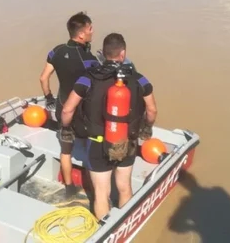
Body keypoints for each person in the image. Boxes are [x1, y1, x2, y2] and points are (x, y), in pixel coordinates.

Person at [60, 33, 157, 220]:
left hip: (97, 142)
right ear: (123, 54)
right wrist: (147, 128)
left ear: (103, 55)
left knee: (101, 193)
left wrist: (66, 128)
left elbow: (67, 110)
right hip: (126, 141)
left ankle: (105, 231)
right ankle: (127, 225)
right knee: (125, 187)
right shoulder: (140, 79)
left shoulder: (87, 78)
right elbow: (152, 110)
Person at [39, 12, 99, 198]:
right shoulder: (89, 59)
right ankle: (92, 189)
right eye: (90, 28)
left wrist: (48, 98)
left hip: (61, 108)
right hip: (81, 114)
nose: (92, 31)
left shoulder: (56, 51)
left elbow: (43, 78)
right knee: (91, 148)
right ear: (81, 34)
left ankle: (69, 187)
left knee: (66, 151)